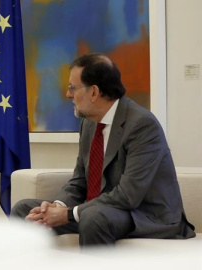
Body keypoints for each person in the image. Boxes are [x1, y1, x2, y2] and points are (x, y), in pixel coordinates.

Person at [11, 53, 195, 246]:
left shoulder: (142, 125)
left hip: (145, 216)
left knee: (93, 217)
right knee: (24, 210)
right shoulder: (89, 125)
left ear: (94, 92)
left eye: (72, 87)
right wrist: (57, 207)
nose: (68, 94)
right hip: (100, 212)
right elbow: (79, 182)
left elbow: (128, 195)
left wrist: (67, 214)